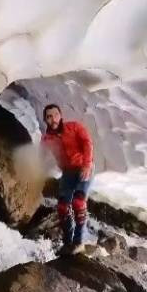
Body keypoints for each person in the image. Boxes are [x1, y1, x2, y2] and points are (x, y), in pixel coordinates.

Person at [41, 104, 94, 254]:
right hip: (67, 173)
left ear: (61, 115)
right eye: (49, 116)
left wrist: (87, 164)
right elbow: (41, 157)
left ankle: (79, 242)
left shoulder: (74, 127)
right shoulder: (46, 139)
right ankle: (67, 242)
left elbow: (87, 143)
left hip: (84, 167)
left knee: (78, 202)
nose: (53, 119)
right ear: (45, 120)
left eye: (55, 115)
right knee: (63, 208)